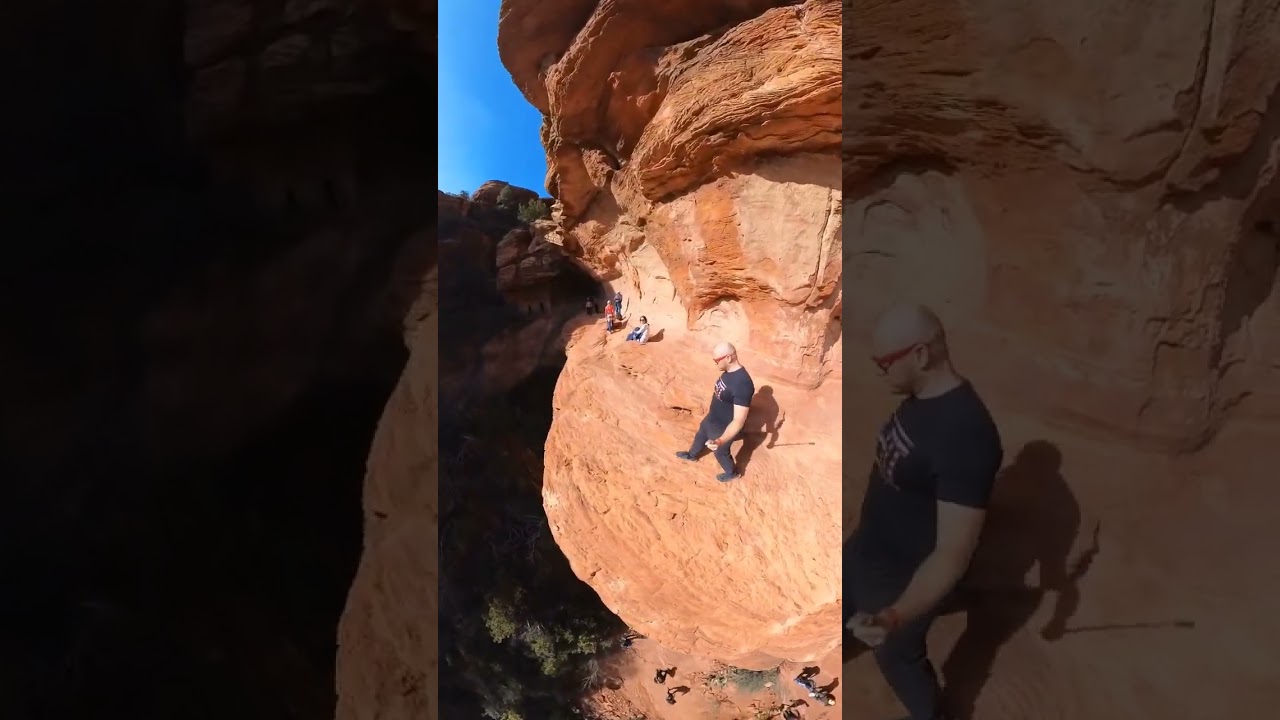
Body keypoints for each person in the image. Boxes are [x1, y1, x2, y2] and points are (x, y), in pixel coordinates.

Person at [844, 303, 1003, 720]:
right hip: (865, 549)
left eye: (885, 363)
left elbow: (952, 554)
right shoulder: (919, 398)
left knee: (898, 661)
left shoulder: (966, 435)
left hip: (900, 579)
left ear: (920, 354)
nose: (881, 372)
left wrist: (895, 615)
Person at [675, 341, 754, 481]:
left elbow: (739, 420)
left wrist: (720, 440)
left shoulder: (743, 384)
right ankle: (692, 455)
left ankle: (732, 473)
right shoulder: (728, 372)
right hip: (712, 418)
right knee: (700, 435)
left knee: (720, 452)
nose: (715, 363)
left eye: (717, 360)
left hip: (722, 426)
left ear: (728, 358)